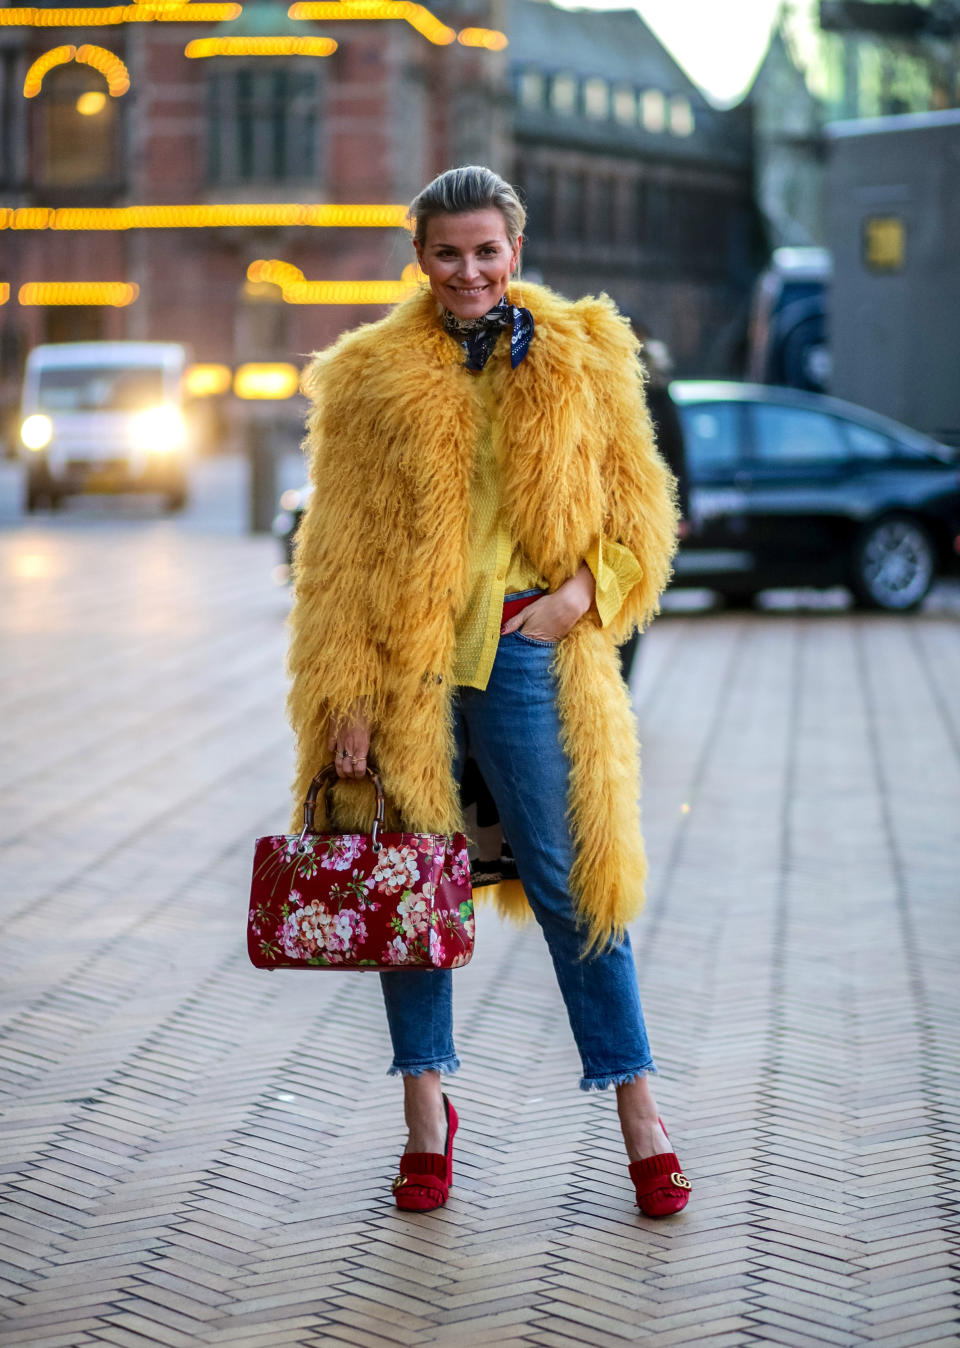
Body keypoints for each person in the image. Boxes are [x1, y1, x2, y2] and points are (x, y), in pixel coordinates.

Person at [286, 166, 691, 1220]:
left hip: (525, 654)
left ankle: (641, 1114)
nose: (468, 271)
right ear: (417, 256)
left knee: (572, 886)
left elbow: (645, 516)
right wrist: (348, 700)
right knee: (411, 893)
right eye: (446, 252)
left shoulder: (585, 357)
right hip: (404, 669)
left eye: (485, 250)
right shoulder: (369, 377)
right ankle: (428, 1116)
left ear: (514, 247)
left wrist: (574, 599)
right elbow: (337, 558)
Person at [618, 322, 692, 682]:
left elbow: (677, 455)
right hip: (613, 512)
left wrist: (682, 513)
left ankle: (621, 688)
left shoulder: (657, 388)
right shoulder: (601, 379)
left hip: (651, 515)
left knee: (633, 604)